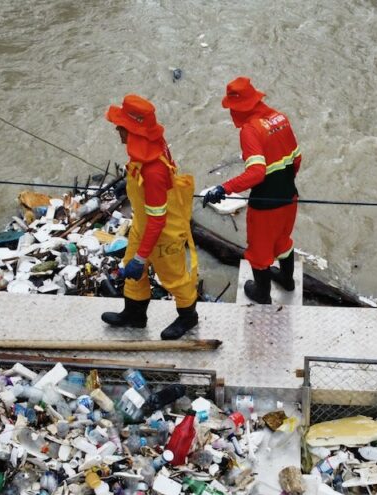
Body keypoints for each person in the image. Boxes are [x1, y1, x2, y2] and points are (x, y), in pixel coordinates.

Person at [102, 94, 199, 340]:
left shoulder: (154, 171)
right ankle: (135, 316)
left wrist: (142, 255)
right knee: (133, 271)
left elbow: (159, 220)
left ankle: (188, 317)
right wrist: (129, 183)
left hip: (163, 233)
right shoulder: (148, 149)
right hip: (142, 224)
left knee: (174, 278)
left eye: (121, 126)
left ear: (134, 132)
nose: (117, 129)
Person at [203, 77, 302, 304]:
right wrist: (285, 185)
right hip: (290, 196)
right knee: (283, 241)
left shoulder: (250, 130)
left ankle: (262, 293)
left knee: (259, 253)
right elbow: (297, 158)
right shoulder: (280, 118)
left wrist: (223, 187)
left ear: (238, 108)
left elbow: (257, 172)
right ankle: (288, 281)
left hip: (265, 206)